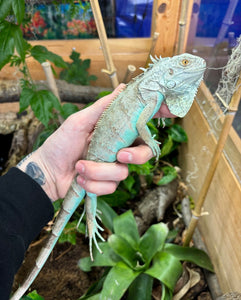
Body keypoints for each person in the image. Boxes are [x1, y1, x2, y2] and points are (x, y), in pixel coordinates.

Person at [0, 84, 176, 299]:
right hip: (87, 163)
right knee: (89, 184)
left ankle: (90, 219)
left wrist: (47, 168)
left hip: (78, 167)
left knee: (89, 182)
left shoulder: (151, 95)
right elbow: (140, 123)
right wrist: (150, 141)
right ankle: (91, 220)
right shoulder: (147, 92)